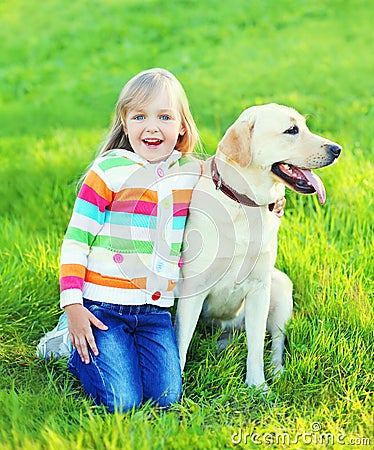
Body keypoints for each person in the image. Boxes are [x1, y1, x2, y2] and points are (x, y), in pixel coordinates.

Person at [39, 68, 202, 413]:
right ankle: (67, 341)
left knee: (165, 398)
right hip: (102, 310)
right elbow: (76, 241)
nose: (152, 126)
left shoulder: (188, 175)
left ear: (182, 126)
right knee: (121, 401)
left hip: (155, 313)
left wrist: (273, 201)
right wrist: (73, 305)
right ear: (125, 125)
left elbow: (234, 186)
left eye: (165, 116)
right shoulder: (109, 170)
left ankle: (119, 351)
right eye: (140, 116)